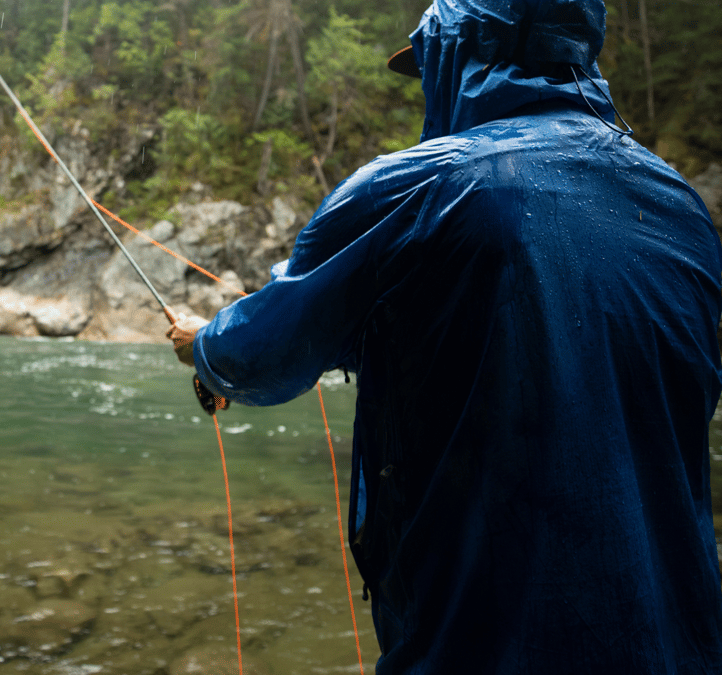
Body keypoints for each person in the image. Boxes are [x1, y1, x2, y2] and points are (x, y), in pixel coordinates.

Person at [167, 0, 722, 672]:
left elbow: (261, 352)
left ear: (461, 54)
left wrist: (204, 349)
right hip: (679, 645)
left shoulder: (412, 189)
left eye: (430, 65)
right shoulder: (681, 209)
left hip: (476, 648)